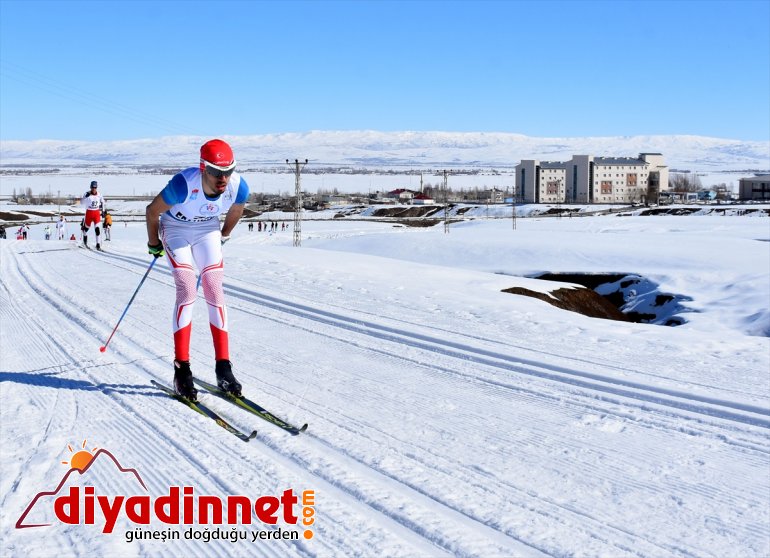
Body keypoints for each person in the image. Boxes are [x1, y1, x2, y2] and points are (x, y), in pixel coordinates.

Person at [145, 139, 249, 401]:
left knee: (214, 288)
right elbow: (152, 211)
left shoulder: (238, 186)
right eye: (215, 172)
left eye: (228, 171)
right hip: (176, 228)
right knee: (187, 287)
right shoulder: (183, 185)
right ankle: (182, 370)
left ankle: (223, 367)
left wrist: (224, 234)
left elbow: (237, 209)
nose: (222, 178)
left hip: (206, 230)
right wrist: (153, 243)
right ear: (203, 168)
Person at [81, 180, 105, 250]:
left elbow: (103, 202)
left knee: (97, 229)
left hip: (96, 213)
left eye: (95, 188)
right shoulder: (86, 194)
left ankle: (98, 244)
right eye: (92, 188)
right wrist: (85, 197)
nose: (94, 189)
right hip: (89, 213)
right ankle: (84, 239)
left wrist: (103, 211)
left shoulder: (99, 195)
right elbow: (82, 202)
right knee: (86, 229)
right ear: (90, 187)